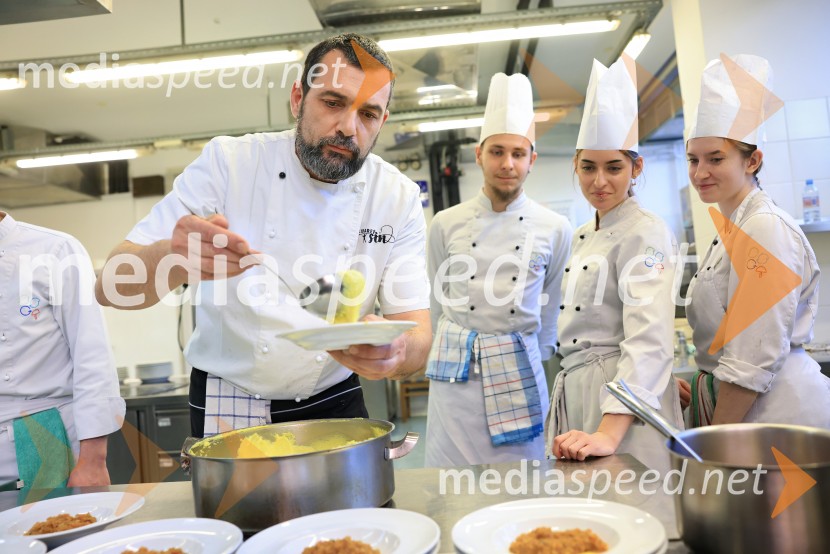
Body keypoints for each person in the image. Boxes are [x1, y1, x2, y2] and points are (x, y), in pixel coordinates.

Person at [94, 33, 432, 438]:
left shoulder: (396, 197)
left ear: (382, 122)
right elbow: (111, 288)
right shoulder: (230, 165)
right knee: (235, 506)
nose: (347, 127)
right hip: (229, 401)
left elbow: (418, 337)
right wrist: (175, 256)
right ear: (296, 99)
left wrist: (396, 353)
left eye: (368, 114)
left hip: (332, 398)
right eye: (333, 102)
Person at [424, 73, 572, 467]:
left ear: (532, 160)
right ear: (478, 155)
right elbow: (437, 305)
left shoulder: (555, 228)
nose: (508, 164)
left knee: (523, 484)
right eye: (497, 152)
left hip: (519, 371)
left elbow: (551, 307)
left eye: (518, 154)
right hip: (454, 380)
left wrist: (524, 354)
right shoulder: (444, 223)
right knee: (451, 487)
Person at [546, 57, 684, 473]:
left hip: (622, 409)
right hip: (586, 392)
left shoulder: (647, 234)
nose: (599, 181)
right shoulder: (585, 233)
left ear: (636, 167)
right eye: (588, 167)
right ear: (575, 165)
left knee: (637, 514)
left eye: (614, 167)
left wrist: (609, 430)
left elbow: (649, 338)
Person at [685, 54, 830, 427]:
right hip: (755, 413)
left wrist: (715, 440)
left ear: (752, 161)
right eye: (693, 159)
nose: (700, 173)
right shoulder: (737, 224)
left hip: (779, 414)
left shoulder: (764, 227)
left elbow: (751, 357)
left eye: (715, 159)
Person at [0, 211, 125, 490]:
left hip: (43, 435)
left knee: (54, 530)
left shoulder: (54, 250)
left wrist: (94, 461)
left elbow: (92, 356)